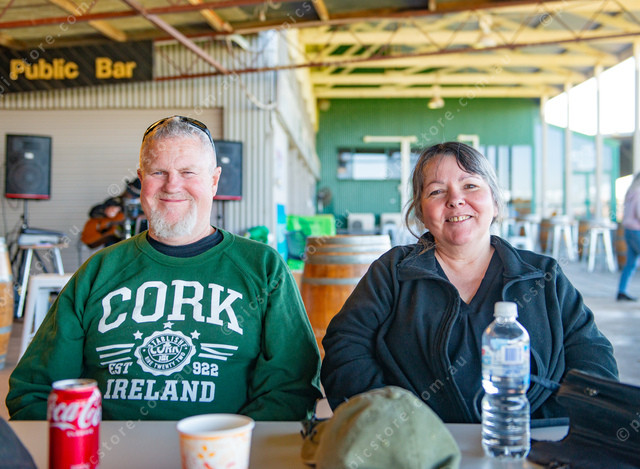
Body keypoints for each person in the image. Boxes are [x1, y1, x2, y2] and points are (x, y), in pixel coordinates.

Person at [7, 115, 322, 421]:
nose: (172, 186)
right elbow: (34, 390)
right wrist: (88, 445)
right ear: (141, 180)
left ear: (214, 181)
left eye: (188, 172)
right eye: (158, 172)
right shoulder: (98, 270)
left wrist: (228, 443)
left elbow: (291, 389)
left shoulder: (263, 267)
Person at [321, 141, 618, 423]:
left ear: (495, 202)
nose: (455, 199)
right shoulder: (392, 272)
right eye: (437, 191)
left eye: (470, 185)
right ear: (421, 212)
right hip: (416, 447)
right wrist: (394, 424)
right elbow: (344, 349)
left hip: (529, 443)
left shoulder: (543, 276)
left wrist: (546, 425)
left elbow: (593, 358)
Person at [81, 178, 143, 248]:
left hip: (137, 240)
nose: (132, 197)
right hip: (116, 240)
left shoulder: (143, 206)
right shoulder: (115, 201)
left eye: (135, 196)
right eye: (131, 194)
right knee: (111, 245)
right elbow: (93, 213)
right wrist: (105, 211)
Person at [616, 173, 640, 301]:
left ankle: (622, 291)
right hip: (637, 230)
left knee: (630, 263)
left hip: (628, 230)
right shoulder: (639, 193)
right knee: (630, 263)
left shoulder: (629, 193)